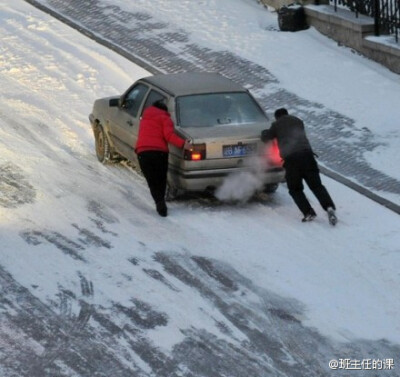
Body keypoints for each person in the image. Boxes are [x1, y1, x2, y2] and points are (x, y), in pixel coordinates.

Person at [261, 108, 337, 225]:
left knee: (295, 189)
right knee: (316, 185)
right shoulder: (298, 121)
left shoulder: (276, 124)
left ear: (277, 117)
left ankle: (308, 212)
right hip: (307, 156)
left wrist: (264, 133)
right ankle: (329, 207)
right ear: (287, 114)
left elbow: (267, 137)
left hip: (292, 160)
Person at [135, 100, 191, 217]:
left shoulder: (144, 118)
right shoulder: (165, 118)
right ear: (164, 110)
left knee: (152, 180)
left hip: (143, 152)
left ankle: (159, 203)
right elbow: (169, 136)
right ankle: (161, 204)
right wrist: (183, 144)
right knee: (160, 179)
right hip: (159, 153)